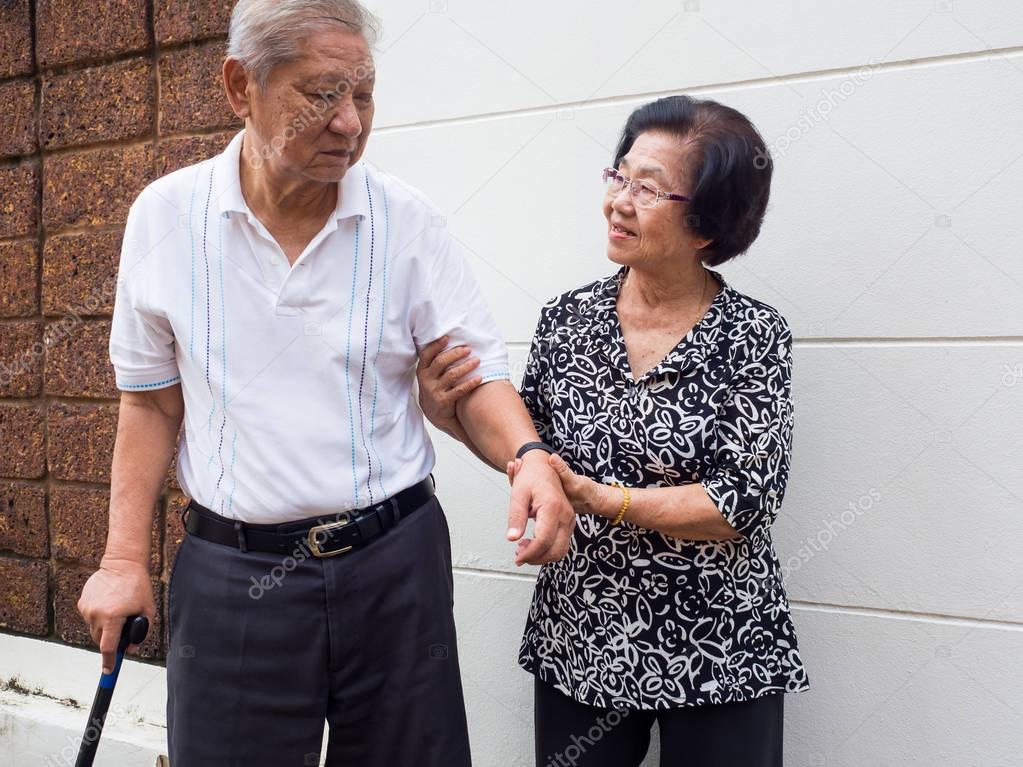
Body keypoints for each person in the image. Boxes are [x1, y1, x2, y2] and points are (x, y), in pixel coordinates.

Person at [76, 1, 575, 765]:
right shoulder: (166, 217)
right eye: (321, 93)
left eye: (364, 95)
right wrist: (120, 561)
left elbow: (475, 377)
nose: (349, 122)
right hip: (234, 575)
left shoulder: (406, 220)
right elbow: (149, 399)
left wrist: (529, 455)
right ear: (240, 86)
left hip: (393, 564)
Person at [417, 94, 810, 766]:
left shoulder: (754, 334)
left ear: (707, 224)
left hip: (719, 645)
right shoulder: (567, 319)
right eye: (619, 176)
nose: (619, 201)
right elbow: (531, 451)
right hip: (583, 634)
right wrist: (446, 414)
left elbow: (742, 501)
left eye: (649, 188)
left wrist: (607, 499)